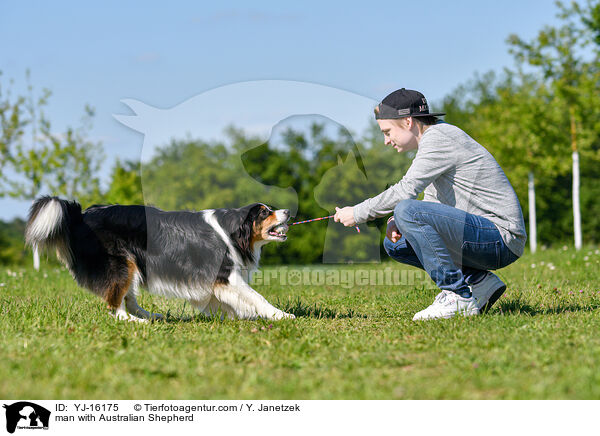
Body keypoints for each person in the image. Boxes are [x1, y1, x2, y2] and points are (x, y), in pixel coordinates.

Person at [334, 88, 526, 320]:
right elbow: (432, 204)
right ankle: (478, 281)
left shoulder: (439, 138)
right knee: (396, 244)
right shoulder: (435, 142)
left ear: (407, 122)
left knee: (406, 209)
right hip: (486, 238)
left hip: (501, 238)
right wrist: (397, 221)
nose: (386, 141)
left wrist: (357, 212)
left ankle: (457, 296)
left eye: (387, 132)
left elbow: (406, 192)